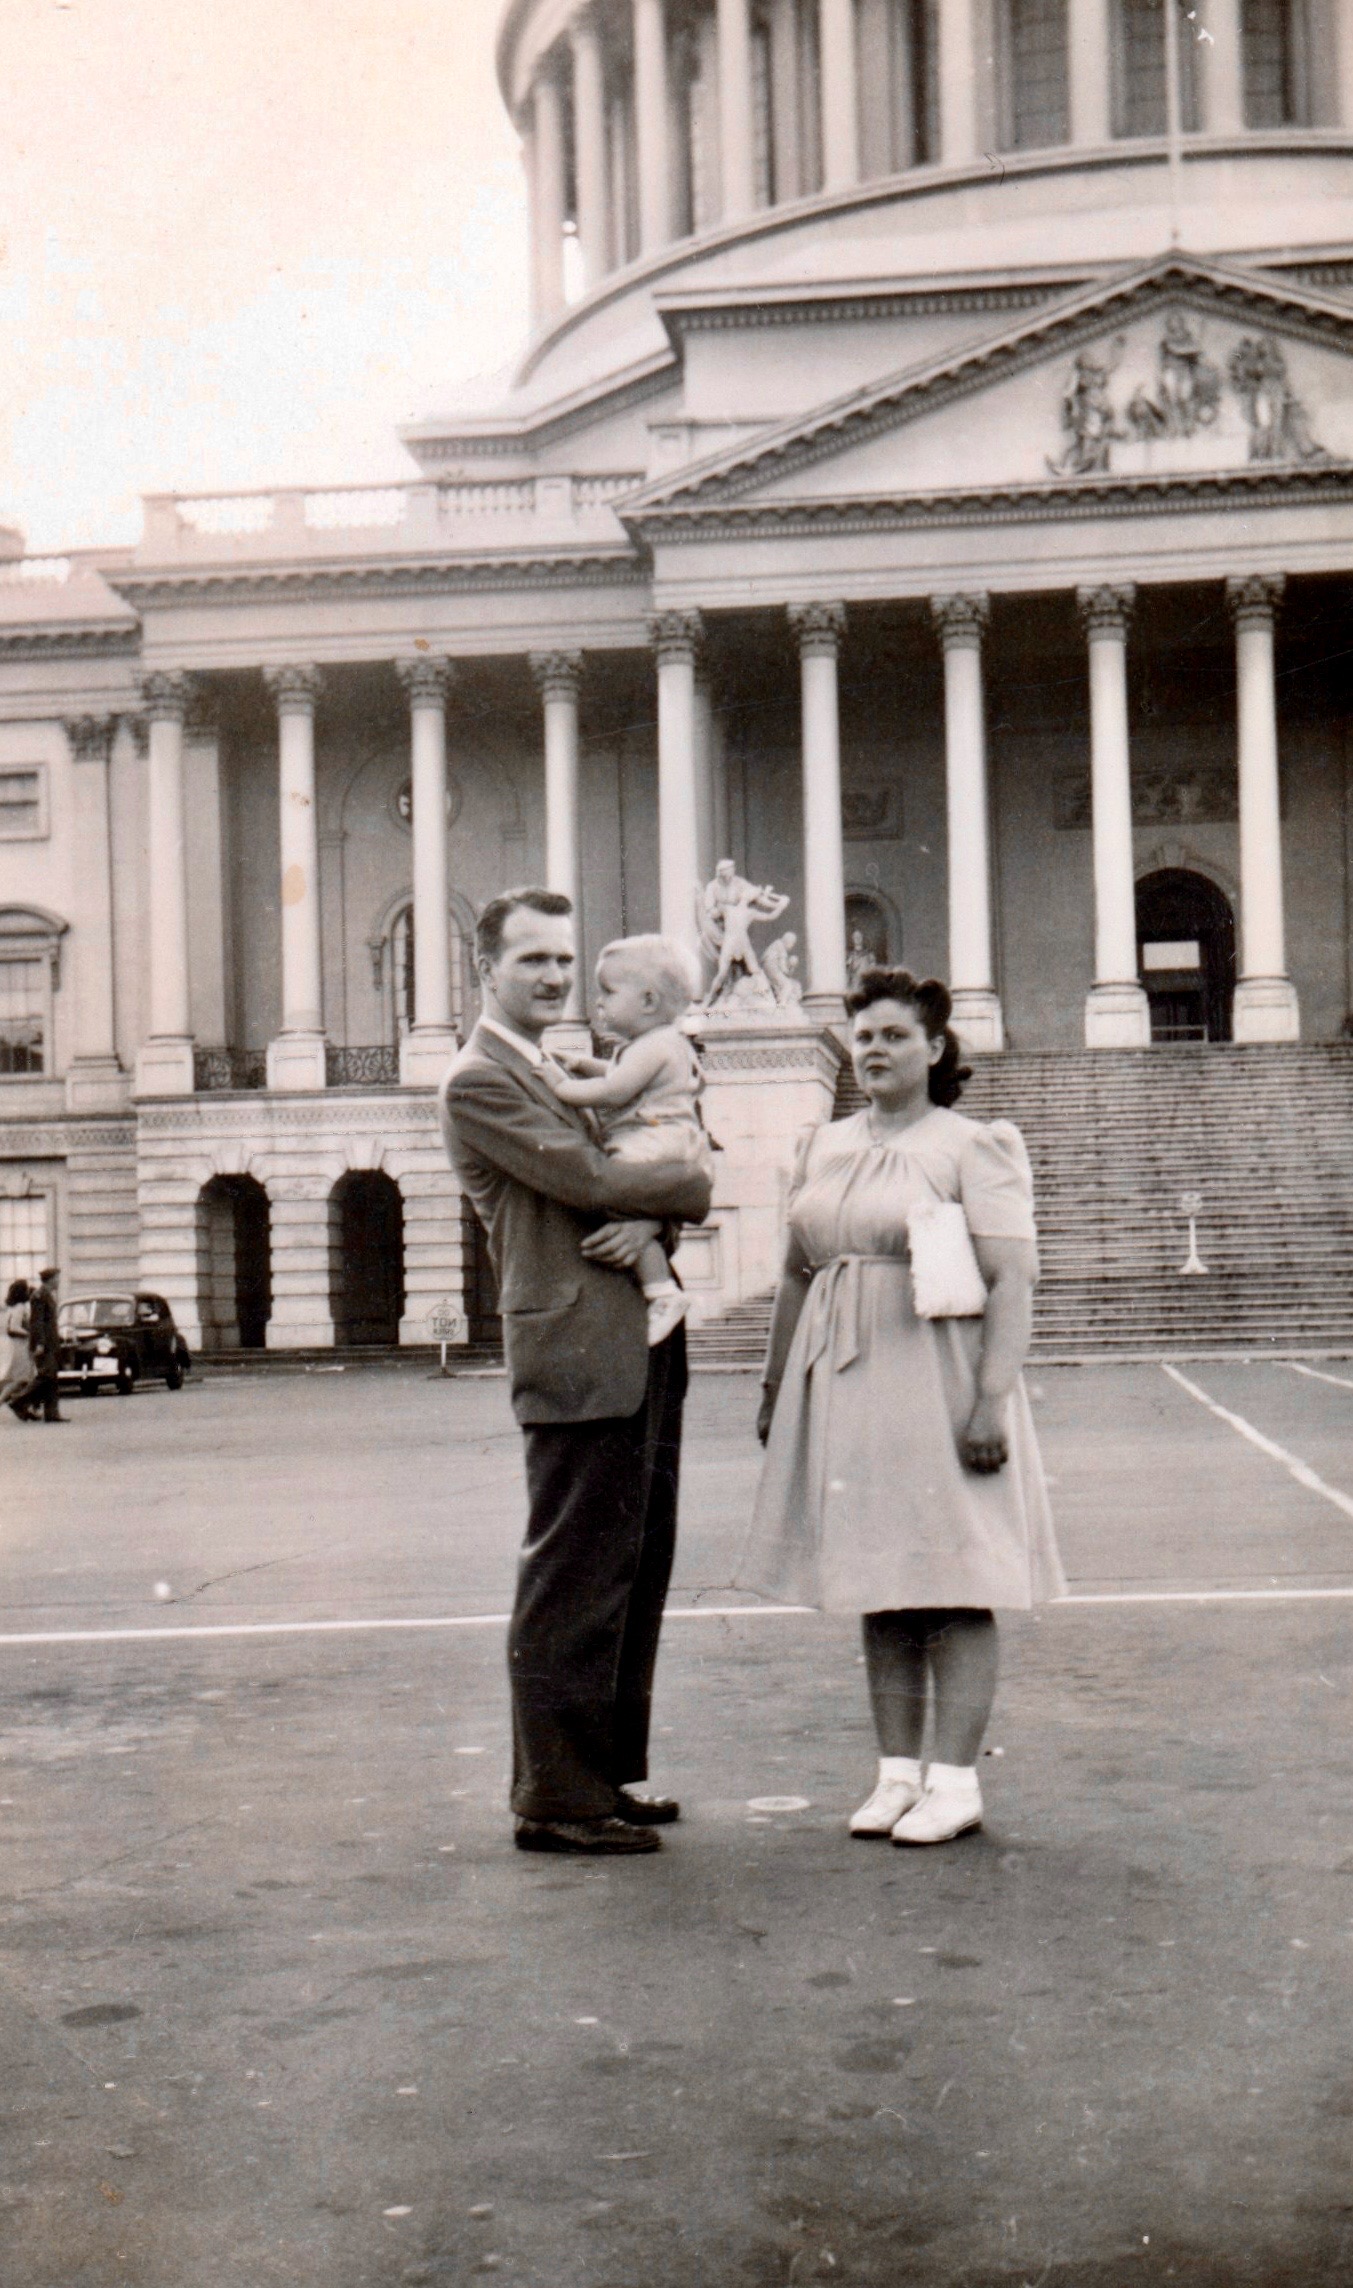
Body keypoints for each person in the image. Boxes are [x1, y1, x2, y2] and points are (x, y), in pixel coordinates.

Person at [737, 968, 1065, 1846]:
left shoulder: (972, 1144)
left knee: (952, 1582)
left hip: (940, 1378)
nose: (873, 1049)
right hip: (844, 1380)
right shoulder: (824, 1143)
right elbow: (797, 1274)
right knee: (880, 1582)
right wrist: (777, 1386)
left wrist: (991, 1401)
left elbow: (1012, 1278)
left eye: (892, 1035)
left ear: (934, 1048)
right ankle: (895, 1777)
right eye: (864, 1034)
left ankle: (955, 1782)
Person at [440, 889, 713, 1858]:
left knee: (632, 1567)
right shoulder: (481, 1079)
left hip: (639, 1332)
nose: (557, 976)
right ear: (487, 970)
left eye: (565, 958)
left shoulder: (559, 1066)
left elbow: (642, 1165)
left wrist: (660, 1215)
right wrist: (682, 1192)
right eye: (533, 961)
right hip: (574, 1343)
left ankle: (600, 1776)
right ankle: (555, 1795)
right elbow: (604, 1178)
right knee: (573, 1572)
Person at [546, 934, 710, 1349]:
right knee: (627, 1207)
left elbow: (616, 1091)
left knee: (607, 1189)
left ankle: (661, 1292)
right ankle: (658, 1282)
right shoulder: (655, 1044)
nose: (598, 1001)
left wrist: (563, 1087)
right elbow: (624, 1075)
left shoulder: (654, 1046)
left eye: (608, 991)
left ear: (649, 1001)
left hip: (650, 1144)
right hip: (670, 1145)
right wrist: (586, 1064)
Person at [23, 1265, 67, 1425]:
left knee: (51, 1378)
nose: (59, 1282)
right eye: (57, 1278)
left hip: (51, 1343)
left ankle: (52, 1413)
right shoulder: (39, 1296)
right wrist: (40, 1343)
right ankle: (18, 1401)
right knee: (46, 1376)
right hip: (45, 1344)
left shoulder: (47, 1295)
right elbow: (37, 1323)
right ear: (50, 1280)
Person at [2, 1279, 37, 1419]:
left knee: (21, 1378)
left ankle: (22, 1408)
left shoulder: (11, 1307)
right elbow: (14, 1327)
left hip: (15, 1344)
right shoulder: (20, 1307)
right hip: (21, 1345)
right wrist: (29, 1335)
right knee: (21, 1379)